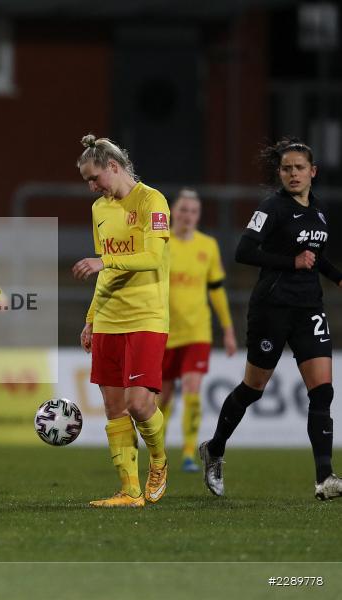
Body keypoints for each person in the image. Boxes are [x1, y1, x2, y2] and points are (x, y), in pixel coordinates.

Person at [200, 138, 342, 500]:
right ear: (280, 174)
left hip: (309, 307)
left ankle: (324, 477)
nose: (292, 174)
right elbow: (243, 251)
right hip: (272, 308)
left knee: (322, 392)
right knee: (253, 388)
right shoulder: (272, 208)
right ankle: (215, 448)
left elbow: (317, 257)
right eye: (286, 169)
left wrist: (338, 277)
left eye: (299, 168)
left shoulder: (320, 211)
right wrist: (290, 262)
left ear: (313, 171)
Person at [72, 134, 170, 508]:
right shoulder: (100, 209)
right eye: (87, 182)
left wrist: (104, 261)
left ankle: (159, 460)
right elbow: (106, 273)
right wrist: (91, 318)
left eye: (94, 178)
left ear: (113, 167)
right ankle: (129, 491)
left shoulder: (151, 200)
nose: (92, 187)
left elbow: (151, 258)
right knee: (114, 407)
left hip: (146, 315)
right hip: (109, 317)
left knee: (140, 405)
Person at [160, 189, 237, 473]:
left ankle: (190, 453)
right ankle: (160, 452)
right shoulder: (161, 242)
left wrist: (228, 330)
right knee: (163, 396)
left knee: (192, 389)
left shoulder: (208, 245)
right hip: (164, 330)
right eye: (183, 210)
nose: (187, 215)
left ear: (199, 215)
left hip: (198, 331)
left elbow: (216, 291)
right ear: (172, 212)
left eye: (193, 211)